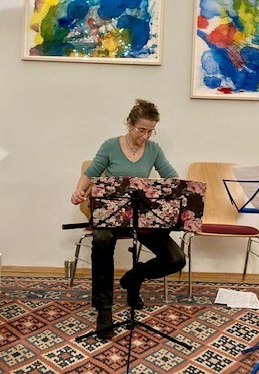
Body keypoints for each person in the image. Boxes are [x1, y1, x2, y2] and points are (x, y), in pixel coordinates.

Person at [70, 99, 186, 340]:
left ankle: (133, 278)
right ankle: (104, 309)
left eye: (150, 131)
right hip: (112, 215)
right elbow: (91, 173)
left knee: (176, 258)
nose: (145, 136)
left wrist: (179, 190)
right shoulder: (110, 146)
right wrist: (78, 191)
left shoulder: (154, 149)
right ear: (129, 123)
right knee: (102, 240)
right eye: (141, 129)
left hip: (142, 216)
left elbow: (171, 178)